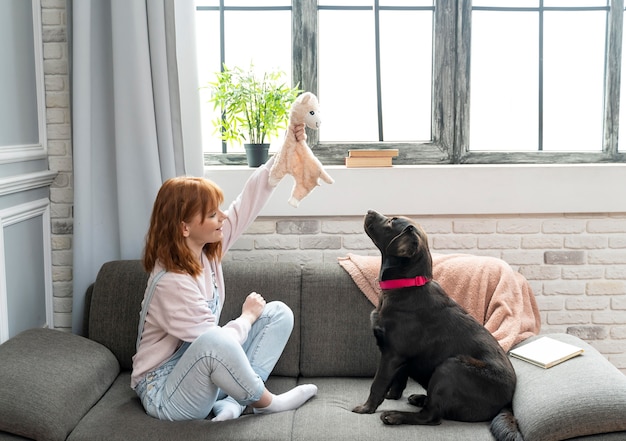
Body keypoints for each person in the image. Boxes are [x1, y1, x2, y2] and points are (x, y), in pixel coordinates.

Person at [131, 131, 317, 422]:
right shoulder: (171, 281)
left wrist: (284, 153)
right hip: (165, 392)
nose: (223, 217)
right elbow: (213, 342)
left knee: (278, 313)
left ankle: (233, 403)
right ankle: (264, 401)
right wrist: (246, 317)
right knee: (216, 339)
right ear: (184, 227)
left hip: (199, 372)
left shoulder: (208, 250)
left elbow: (247, 203)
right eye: (212, 214)